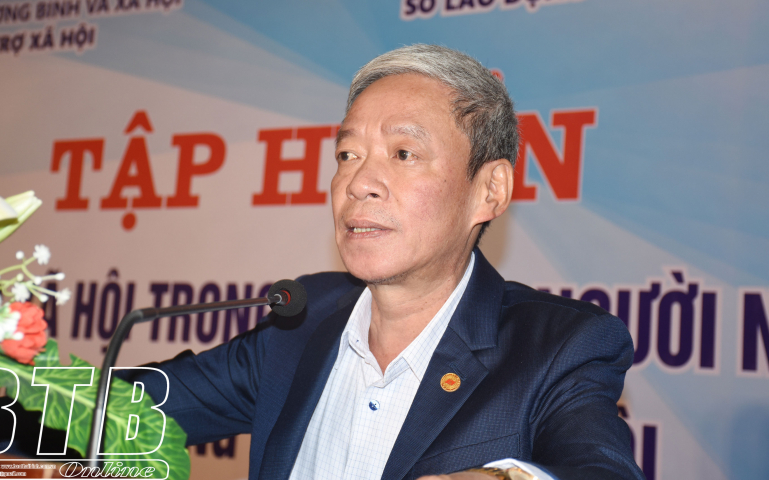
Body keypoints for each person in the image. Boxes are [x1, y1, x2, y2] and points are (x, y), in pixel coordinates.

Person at [121, 44, 644, 480]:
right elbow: (127, 409)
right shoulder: (304, 319)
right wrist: (64, 385)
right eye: (347, 155)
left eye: (403, 154)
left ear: (490, 189)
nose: (359, 183)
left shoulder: (557, 348)